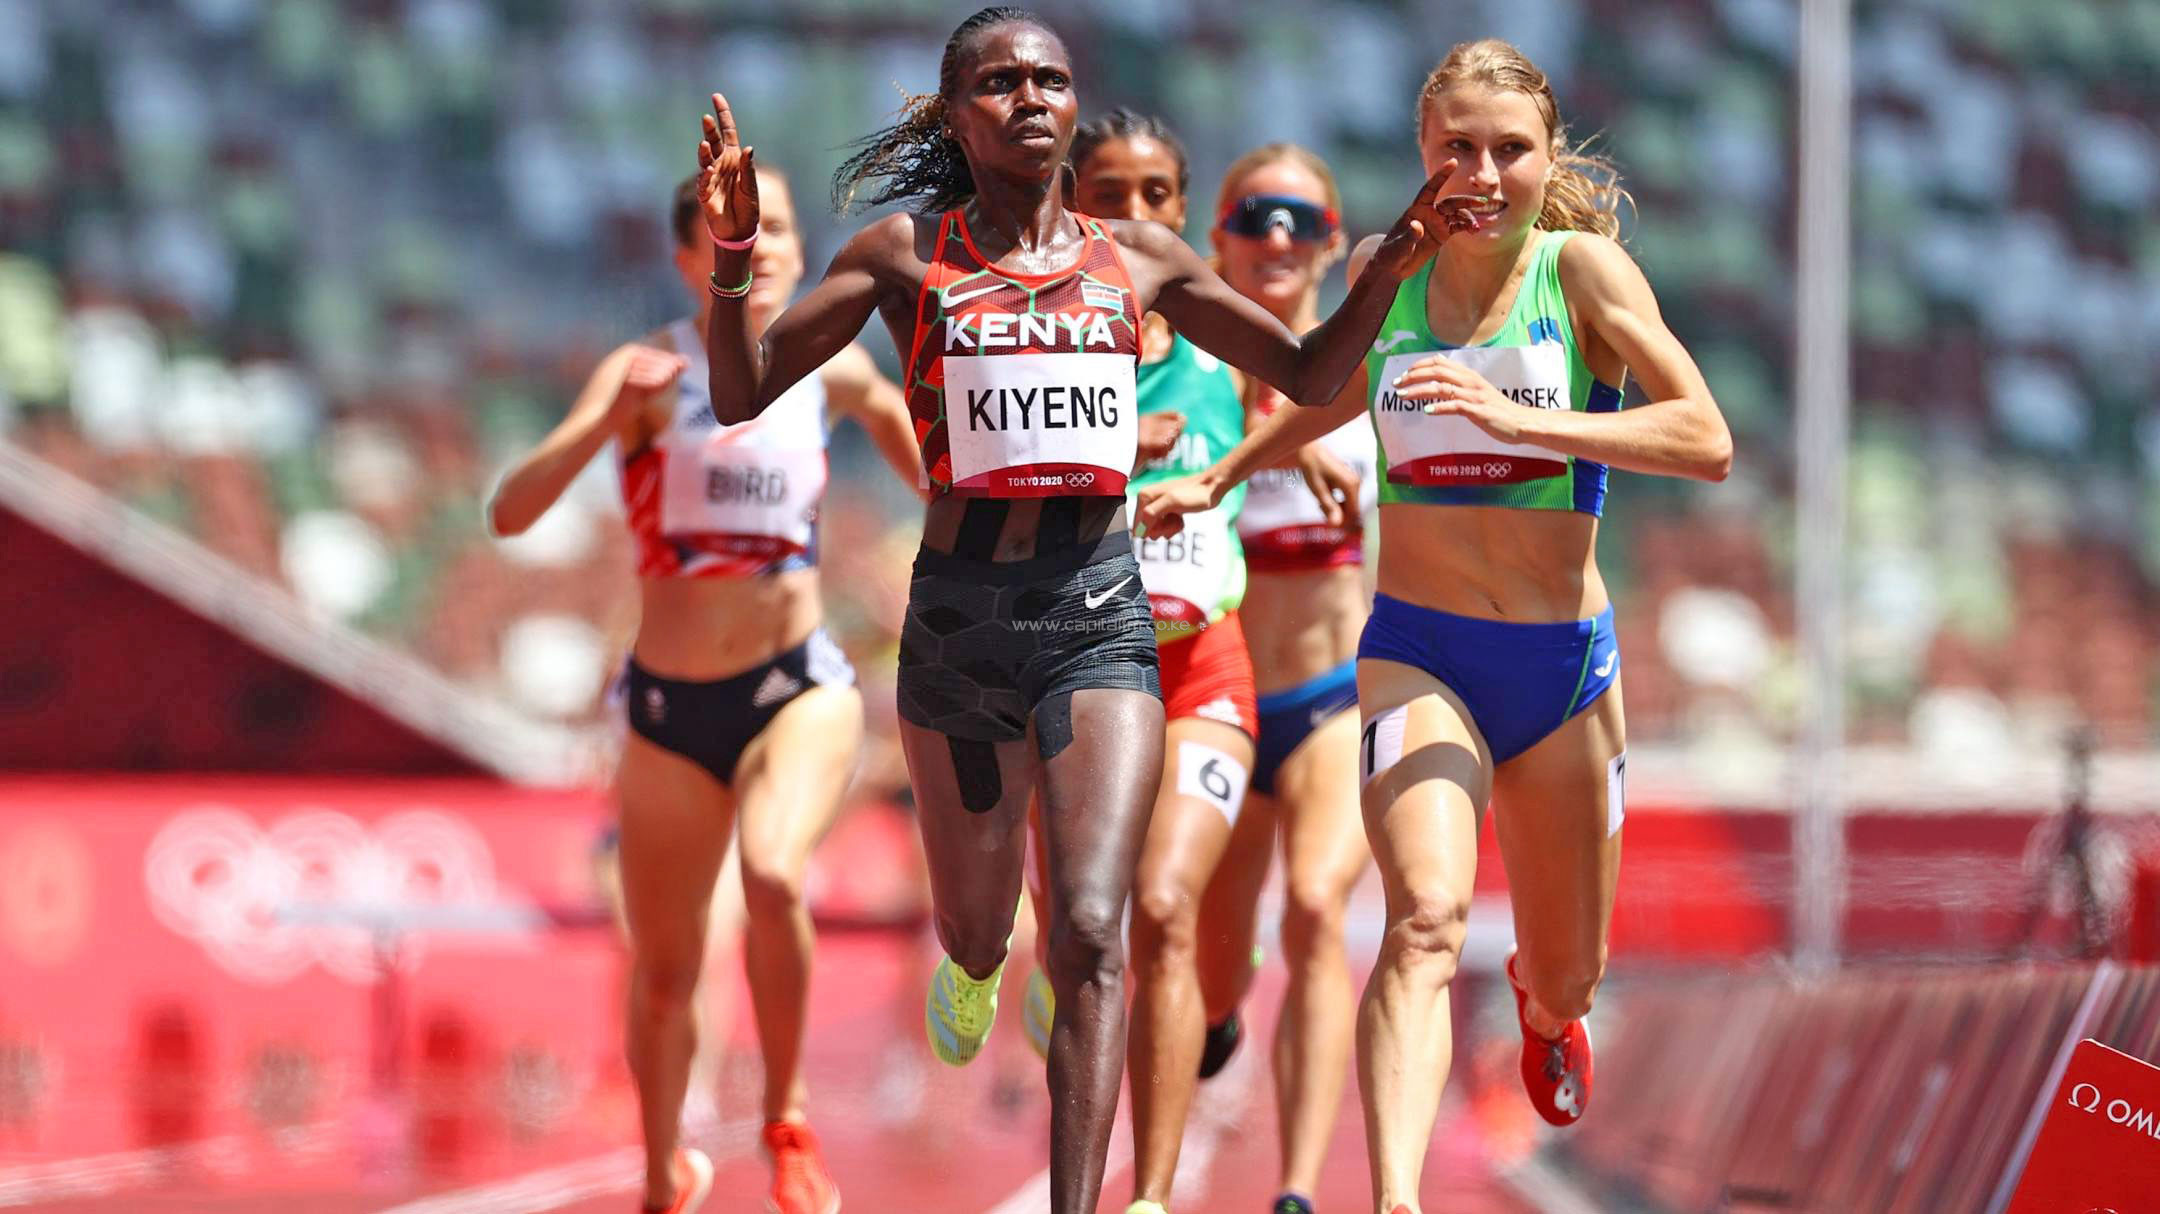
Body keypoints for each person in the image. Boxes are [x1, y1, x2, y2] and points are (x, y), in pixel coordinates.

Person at [691, 9, 1467, 1209]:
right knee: (978, 924)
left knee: (1098, 931)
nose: (1032, 98)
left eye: (1050, 78)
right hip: (958, 623)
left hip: (1100, 615)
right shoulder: (904, 253)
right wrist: (736, 256)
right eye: (999, 83)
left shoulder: (1137, 260)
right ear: (957, 112)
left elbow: (1312, 375)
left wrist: (1381, 281)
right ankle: (974, 961)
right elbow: (739, 390)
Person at [1138, 38, 1731, 1214]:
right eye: (1457, 146)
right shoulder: (1387, 270)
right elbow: (1327, 389)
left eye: (1510, 150)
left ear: (1547, 158)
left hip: (1560, 669)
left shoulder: (1588, 275)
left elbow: (1704, 435)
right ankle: (1396, 1197)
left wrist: (1531, 421)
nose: (1483, 171)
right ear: (1422, 153)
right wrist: (1223, 476)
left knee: (1572, 970)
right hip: (1420, 651)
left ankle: (1544, 1003)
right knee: (1420, 919)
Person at [487, 164, 922, 1214]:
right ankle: (659, 1167)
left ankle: (786, 1111)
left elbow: (948, 480)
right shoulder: (644, 373)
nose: (761, 244)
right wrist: (605, 420)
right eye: (736, 228)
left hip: (796, 685)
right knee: (668, 968)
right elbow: (510, 510)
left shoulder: (838, 374)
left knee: (773, 872)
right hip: (672, 711)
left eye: (775, 226)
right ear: (691, 257)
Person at [1206, 142, 1381, 1214]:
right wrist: (1270, 442)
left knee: (1319, 905)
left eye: (1301, 221)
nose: (1277, 238)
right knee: (1216, 964)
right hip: (1220, 698)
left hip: (1332, 695)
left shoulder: (1367, 365)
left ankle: (1299, 1186)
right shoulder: (1174, 355)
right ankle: (1219, 1010)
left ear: (1329, 239)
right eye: (1255, 216)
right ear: (1219, 237)